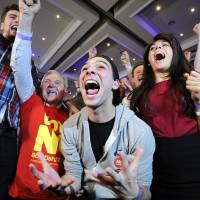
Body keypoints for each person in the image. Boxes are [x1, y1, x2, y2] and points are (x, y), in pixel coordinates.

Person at [21, 2, 155, 199]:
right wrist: (62, 187)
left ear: (116, 84)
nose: (89, 70)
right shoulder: (69, 128)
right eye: (84, 69)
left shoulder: (139, 131)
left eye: (100, 67)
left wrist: (134, 194)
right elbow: (73, 177)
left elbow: (146, 192)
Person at [8, 1, 70, 199]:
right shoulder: (31, 103)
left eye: (57, 82)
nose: (51, 84)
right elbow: (20, 67)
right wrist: (26, 19)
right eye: (46, 81)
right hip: (21, 194)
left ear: (66, 91)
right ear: (40, 87)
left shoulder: (74, 121)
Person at [130, 32, 200, 200]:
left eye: (164, 45)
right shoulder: (138, 95)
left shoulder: (190, 81)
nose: (158, 48)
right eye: (153, 48)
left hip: (194, 163)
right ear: (148, 59)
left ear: (175, 54)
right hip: (158, 169)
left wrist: (198, 103)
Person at [0, 3, 39, 200]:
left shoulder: (29, 63)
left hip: (7, 133)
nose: (17, 20)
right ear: (1, 25)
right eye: (13, 17)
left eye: (20, 18)